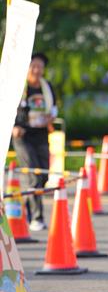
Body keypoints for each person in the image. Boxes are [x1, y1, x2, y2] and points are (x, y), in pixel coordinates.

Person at [12, 52, 58, 231]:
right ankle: (36, 217)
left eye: (40, 67)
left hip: (40, 135)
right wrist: (15, 125)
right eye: (34, 66)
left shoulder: (47, 87)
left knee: (44, 175)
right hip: (23, 137)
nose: (37, 70)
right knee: (33, 176)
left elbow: (53, 108)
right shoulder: (19, 87)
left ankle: (26, 209)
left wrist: (50, 118)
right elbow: (8, 107)